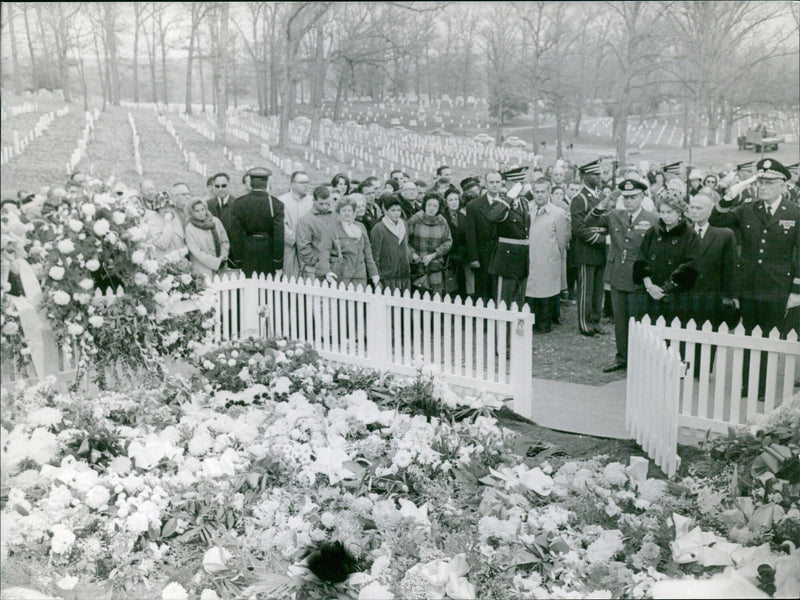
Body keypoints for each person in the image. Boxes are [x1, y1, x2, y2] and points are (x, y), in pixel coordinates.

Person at [711, 158, 800, 397]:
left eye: (769, 182)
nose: (763, 187)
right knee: (750, 334)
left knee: (771, 336)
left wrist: (796, 290)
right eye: (760, 181)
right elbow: (716, 221)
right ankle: (748, 384)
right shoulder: (748, 208)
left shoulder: (794, 212)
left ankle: (764, 386)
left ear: (783, 185)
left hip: (777, 286)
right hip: (749, 284)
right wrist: (730, 194)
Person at [586, 179, 657, 372]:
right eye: (625, 197)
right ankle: (622, 357)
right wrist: (606, 202)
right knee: (620, 320)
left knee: (637, 320)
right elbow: (589, 221)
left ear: (642, 196)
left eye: (633, 197)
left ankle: (638, 358)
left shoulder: (652, 218)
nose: (628, 201)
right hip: (617, 273)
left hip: (638, 275)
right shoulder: (614, 215)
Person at [633, 187, 699, 325]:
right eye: (662, 212)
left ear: (679, 212)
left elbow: (690, 266)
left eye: (670, 212)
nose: (665, 216)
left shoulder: (689, 235)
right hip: (649, 293)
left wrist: (665, 289)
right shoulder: (653, 232)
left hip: (674, 296)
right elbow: (641, 258)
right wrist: (649, 286)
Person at [525, 178, 569, 332]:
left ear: (549, 192)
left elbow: (562, 240)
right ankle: (530, 322)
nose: (540, 195)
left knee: (546, 290)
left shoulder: (558, 213)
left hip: (548, 258)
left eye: (543, 191)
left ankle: (544, 323)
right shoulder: (527, 209)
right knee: (530, 289)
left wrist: (554, 255)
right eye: (536, 192)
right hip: (530, 257)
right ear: (532, 192)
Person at [570, 160, 607, 336]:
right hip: (587, 249)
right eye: (596, 174)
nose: (600, 177)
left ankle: (596, 321)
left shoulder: (600, 197)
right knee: (586, 289)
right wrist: (600, 239)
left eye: (599, 174)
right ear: (585, 177)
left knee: (598, 289)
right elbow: (578, 229)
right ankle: (585, 324)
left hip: (601, 250)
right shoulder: (579, 199)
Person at [229, 167, 284, 278]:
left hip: (247, 252)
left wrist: (238, 261)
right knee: (268, 291)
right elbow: (279, 236)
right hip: (268, 253)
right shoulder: (275, 204)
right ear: (266, 183)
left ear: (250, 183)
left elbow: (235, 235)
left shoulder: (239, 203)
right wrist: (278, 262)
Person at [488, 168, 531, 309]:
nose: (522, 185)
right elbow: (492, 217)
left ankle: (514, 329)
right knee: (503, 299)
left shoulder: (524, 202)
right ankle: (501, 330)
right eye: (518, 182)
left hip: (522, 256)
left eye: (523, 182)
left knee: (519, 297)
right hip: (506, 259)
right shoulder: (501, 203)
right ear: (508, 184)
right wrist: (509, 198)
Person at [319, 196, 379, 289]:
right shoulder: (331, 229)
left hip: (359, 273)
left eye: (349, 210)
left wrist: (374, 273)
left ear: (353, 211)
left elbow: (368, 254)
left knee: (358, 301)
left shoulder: (360, 227)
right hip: (341, 272)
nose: (347, 213)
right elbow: (324, 252)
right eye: (343, 211)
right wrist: (327, 271)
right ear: (339, 212)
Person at [465, 171, 503, 303]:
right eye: (491, 182)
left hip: (502, 252)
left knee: (500, 288)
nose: (494, 185)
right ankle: (483, 320)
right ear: (485, 185)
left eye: (497, 182)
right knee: (483, 289)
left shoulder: (507, 202)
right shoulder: (474, 205)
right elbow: (470, 234)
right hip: (483, 254)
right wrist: (474, 258)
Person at [408, 193, 453, 296]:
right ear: (424, 205)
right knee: (418, 295)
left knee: (436, 296)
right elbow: (405, 240)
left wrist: (434, 255)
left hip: (435, 266)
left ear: (439, 208)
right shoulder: (415, 219)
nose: (431, 208)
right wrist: (413, 254)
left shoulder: (442, 221)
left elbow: (448, 241)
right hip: (417, 266)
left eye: (435, 206)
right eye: (429, 205)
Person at [370, 194, 412, 292]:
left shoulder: (404, 224)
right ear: (385, 211)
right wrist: (378, 277)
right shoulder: (379, 228)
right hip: (388, 276)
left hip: (404, 273)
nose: (396, 213)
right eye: (393, 210)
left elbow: (405, 245)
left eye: (398, 210)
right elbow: (375, 256)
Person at [297, 185, 337, 280]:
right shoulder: (305, 220)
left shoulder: (336, 215)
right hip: (315, 270)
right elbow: (304, 247)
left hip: (336, 266)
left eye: (327, 203)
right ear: (314, 201)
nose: (324, 207)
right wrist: (319, 263)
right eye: (321, 204)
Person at [279, 171, 314, 279]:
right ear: (293, 184)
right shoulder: (282, 201)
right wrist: (295, 240)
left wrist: (306, 242)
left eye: (307, 182)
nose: (306, 185)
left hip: (309, 248)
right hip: (290, 248)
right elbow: (281, 224)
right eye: (302, 182)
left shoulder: (312, 201)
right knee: (290, 279)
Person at [184, 197, 230, 279]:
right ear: (191, 213)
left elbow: (224, 241)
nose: (201, 213)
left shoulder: (215, 221)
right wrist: (216, 262)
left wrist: (223, 255)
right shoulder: (190, 228)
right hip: (203, 268)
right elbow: (196, 251)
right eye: (197, 211)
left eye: (202, 209)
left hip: (222, 266)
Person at [141, 190, 186, 264]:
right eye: (164, 207)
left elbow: (181, 239)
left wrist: (184, 249)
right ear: (158, 208)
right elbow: (163, 244)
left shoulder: (175, 218)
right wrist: (167, 223)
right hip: (163, 262)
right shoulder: (152, 222)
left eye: (170, 207)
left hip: (179, 261)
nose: (168, 210)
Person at [206, 173, 237, 267]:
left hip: (234, 250)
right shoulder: (207, 205)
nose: (220, 189)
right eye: (217, 186)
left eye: (224, 186)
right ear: (213, 187)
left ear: (229, 185)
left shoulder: (237, 203)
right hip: (213, 250)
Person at [442, 187, 467, 297]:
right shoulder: (441, 217)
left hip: (460, 258)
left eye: (456, 199)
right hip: (445, 258)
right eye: (450, 200)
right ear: (446, 202)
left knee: (460, 288)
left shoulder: (463, 217)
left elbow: (466, 238)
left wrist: (462, 252)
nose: (454, 203)